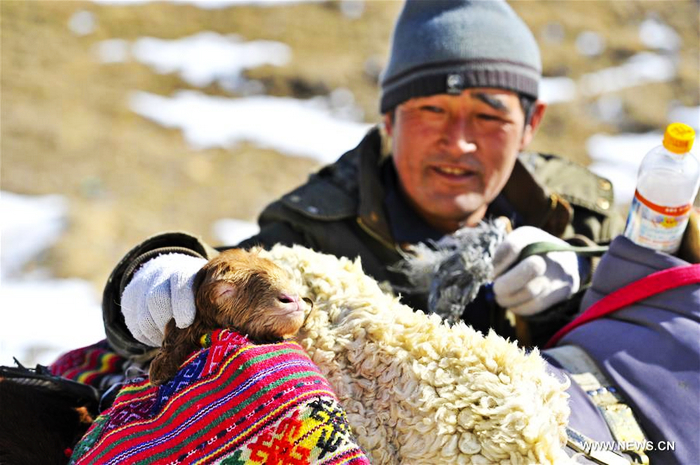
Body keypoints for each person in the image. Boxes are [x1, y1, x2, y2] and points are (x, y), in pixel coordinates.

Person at [102, 0, 625, 361]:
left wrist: (589, 277)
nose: (459, 141)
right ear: (389, 120)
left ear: (531, 124)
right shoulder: (315, 224)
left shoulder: (585, 212)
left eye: (489, 116)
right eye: (431, 110)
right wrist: (163, 279)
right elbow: (224, 285)